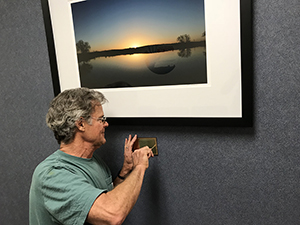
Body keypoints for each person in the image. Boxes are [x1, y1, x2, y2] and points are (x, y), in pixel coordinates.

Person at [29, 87, 154, 225]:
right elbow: (112, 214)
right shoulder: (52, 175)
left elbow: (104, 198)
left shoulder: (94, 161)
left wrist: (125, 172)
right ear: (81, 124)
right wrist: (140, 167)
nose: (106, 124)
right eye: (101, 119)